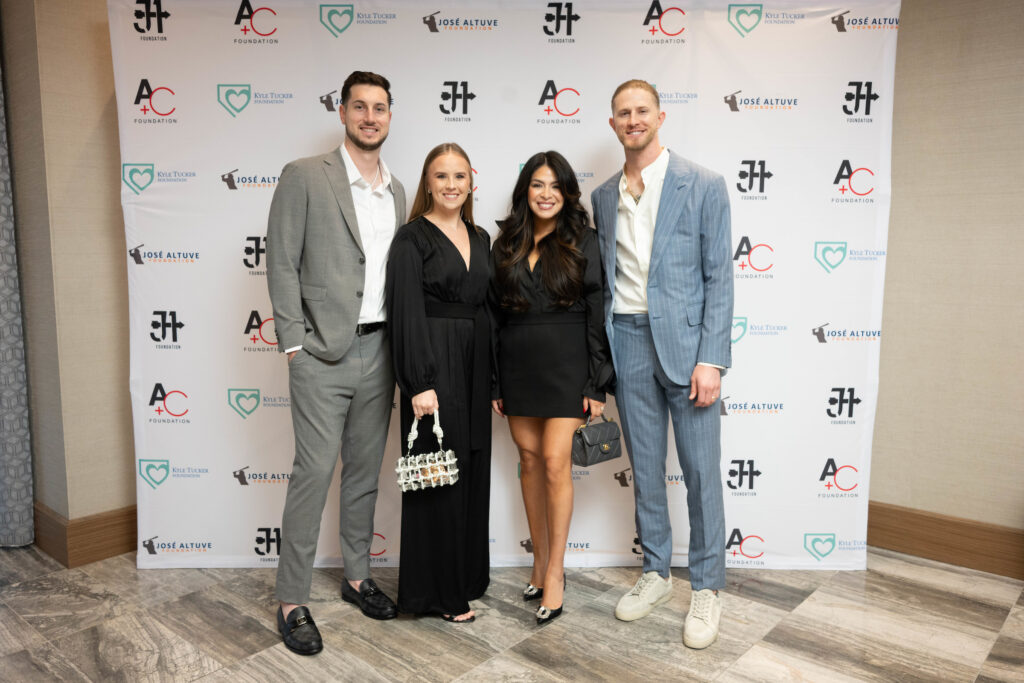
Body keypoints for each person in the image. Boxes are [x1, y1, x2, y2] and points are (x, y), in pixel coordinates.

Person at [590, 79, 733, 649]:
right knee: (645, 471)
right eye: (623, 113)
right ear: (613, 124)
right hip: (627, 341)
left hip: (688, 350)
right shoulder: (603, 196)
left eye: (642, 110)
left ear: (660, 116)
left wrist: (712, 359)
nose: (633, 120)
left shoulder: (704, 184)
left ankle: (708, 586)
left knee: (700, 473)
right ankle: (656, 572)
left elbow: (720, 277)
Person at [266, 71, 405, 656]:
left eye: (380, 108)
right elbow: (281, 259)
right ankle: (291, 599)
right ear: (342, 113)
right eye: (360, 107)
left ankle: (357, 576)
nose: (370, 117)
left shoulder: (398, 191)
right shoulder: (305, 175)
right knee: (313, 473)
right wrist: (293, 344)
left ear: (390, 116)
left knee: (364, 473)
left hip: (381, 350)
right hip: (320, 354)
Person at [489, 151, 613, 626]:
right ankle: (539, 562)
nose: (546, 194)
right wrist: (495, 380)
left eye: (555, 186)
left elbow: (597, 312)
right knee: (529, 460)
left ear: (567, 193)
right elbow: (494, 317)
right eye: (538, 185)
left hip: (568, 367)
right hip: (517, 365)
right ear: (525, 190)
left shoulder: (585, 240)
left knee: (557, 461)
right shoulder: (506, 242)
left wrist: (596, 382)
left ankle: (557, 573)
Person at [385, 142, 492, 623]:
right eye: (441, 176)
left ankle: (466, 579)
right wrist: (419, 382)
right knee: (437, 476)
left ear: (471, 181)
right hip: (433, 365)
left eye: (459, 176)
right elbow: (405, 312)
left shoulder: (481, 237)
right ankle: (438, 594)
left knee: (470, 469)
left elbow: (487, 309)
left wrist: (493, 381)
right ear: (428, 183)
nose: (451, 185)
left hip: (474, 365)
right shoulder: (411, 239)